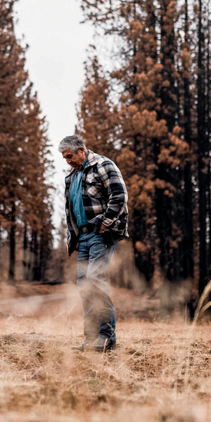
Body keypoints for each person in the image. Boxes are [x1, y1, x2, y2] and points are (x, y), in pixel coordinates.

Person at [59, 134, 128, 352]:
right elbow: (71, 210)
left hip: (102, 233)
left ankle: (107, 338)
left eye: (69, 155)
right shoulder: (71, 177)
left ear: (81, 150)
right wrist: (75, 237)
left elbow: (119, 195)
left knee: (96, 280)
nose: (67, 160)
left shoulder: (103, 165)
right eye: (64, 157)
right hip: (84, 237)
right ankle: (90, 338)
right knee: (84, 285)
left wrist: (105, 224)